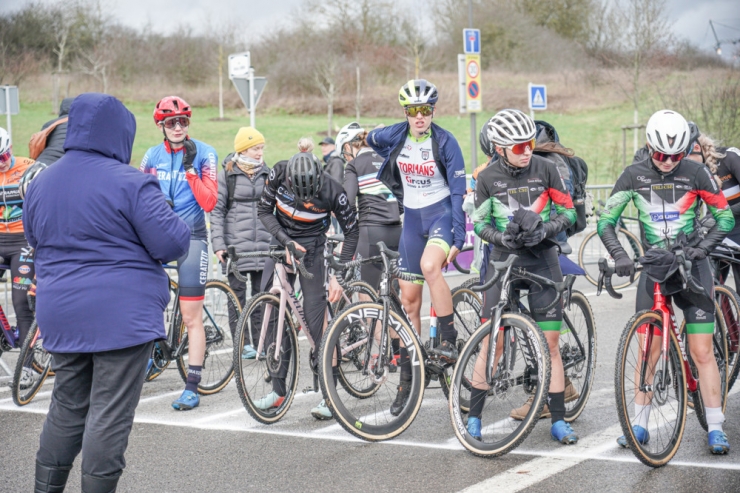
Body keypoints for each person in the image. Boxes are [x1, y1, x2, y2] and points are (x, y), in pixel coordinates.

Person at [24, 93, 190, 493]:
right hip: (122, 316)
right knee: (109, 413)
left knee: (67, 406)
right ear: (121, 135)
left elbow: (34, 237)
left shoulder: (41, 181)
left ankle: (46, 488)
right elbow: (172, 243)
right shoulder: (131, 182)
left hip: (59, 311)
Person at [598, 109, 734, 454]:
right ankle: (640, 424)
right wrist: (621, 255)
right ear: (648, 146)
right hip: (655, 269)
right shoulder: (633, 175)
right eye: (661, 155)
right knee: (649, 351)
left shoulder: (697, 172)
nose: (669, 162)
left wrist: (701, 249)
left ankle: (715, 425)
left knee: (701, 351)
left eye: (676, 155)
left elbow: (724, 216)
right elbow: (605, 222)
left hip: (692, 268)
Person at [469, 108, 578, 444]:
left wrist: (545, 229)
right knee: (492, 341)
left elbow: (568, 212)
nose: (527, 150)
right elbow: (480, 223)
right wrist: (501, 238)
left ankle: (558, 418)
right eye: (518, 147)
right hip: (504, 262)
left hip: (542, 259)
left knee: (551, 344)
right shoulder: (488, 178)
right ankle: (473, 416)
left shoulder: (545, 169)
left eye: (529, 143)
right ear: (500, 148)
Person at [366, 79, 466, 416]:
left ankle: (449, 338)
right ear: (406, 113)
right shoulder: (396, 135)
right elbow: (370, 138)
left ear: (433, 111)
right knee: (408, 304)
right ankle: (408, 381)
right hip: (411, 219)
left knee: (429, 267)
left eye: (425, 110)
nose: (419, 116)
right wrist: (364, 135)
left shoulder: (446, 142)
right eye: (413, 111)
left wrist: (459, 235)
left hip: (441, 214)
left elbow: (457, 191)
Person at [257, 152, 359, 420]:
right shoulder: (277, 173)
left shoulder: (332, 190)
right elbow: (263, 211)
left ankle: (330, 394)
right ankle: (279, 390)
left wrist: (339, 275)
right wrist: (283, 239)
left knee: (316, 322)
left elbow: (352, 232)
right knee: (270, 305)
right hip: (282, 241)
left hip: (313, 246)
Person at [140, 96, 218, 411]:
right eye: (171, 122)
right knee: (141, 301)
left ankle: (192, 386)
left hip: (192, 237)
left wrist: (189, 169)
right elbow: (138, 195)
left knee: (190, 316)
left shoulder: (204, 153)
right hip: (156, 237)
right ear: (161, 124)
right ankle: (155, 352)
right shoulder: (151, 155)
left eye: (183, 121)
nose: (177, 127)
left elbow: (210, 202)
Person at [211, 127, 271, 359]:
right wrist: (218, 244)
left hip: (264, 245)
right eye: (256, 148)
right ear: (244, 149)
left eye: (261, 148)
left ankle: (262, 344)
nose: (260, 153)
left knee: (260, 297)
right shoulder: (227, 174)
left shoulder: (267, 172)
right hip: (236, 247)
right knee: (236, 298)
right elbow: (216, 211)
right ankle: (241, 344)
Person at [342, 123, 403, 292]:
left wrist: (352, 226)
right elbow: (401, 201)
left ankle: (370, 319)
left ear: (349, 146)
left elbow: (348, 202)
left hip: (371, 231)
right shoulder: (387, 161)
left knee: (365, 290)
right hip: (397, 230)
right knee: (391, 293)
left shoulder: (354, 165)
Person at [0, 128, 36, 370]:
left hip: (23, 240)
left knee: (20, 300)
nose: (1, 164)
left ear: (10, 148)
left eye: (3, 157)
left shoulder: (27, 166)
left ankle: (26, 367)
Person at [34, 97, 74, 165]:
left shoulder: (51, 124)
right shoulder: (83, 125)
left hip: (45, 161)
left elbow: (39, 144)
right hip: (69, 161)